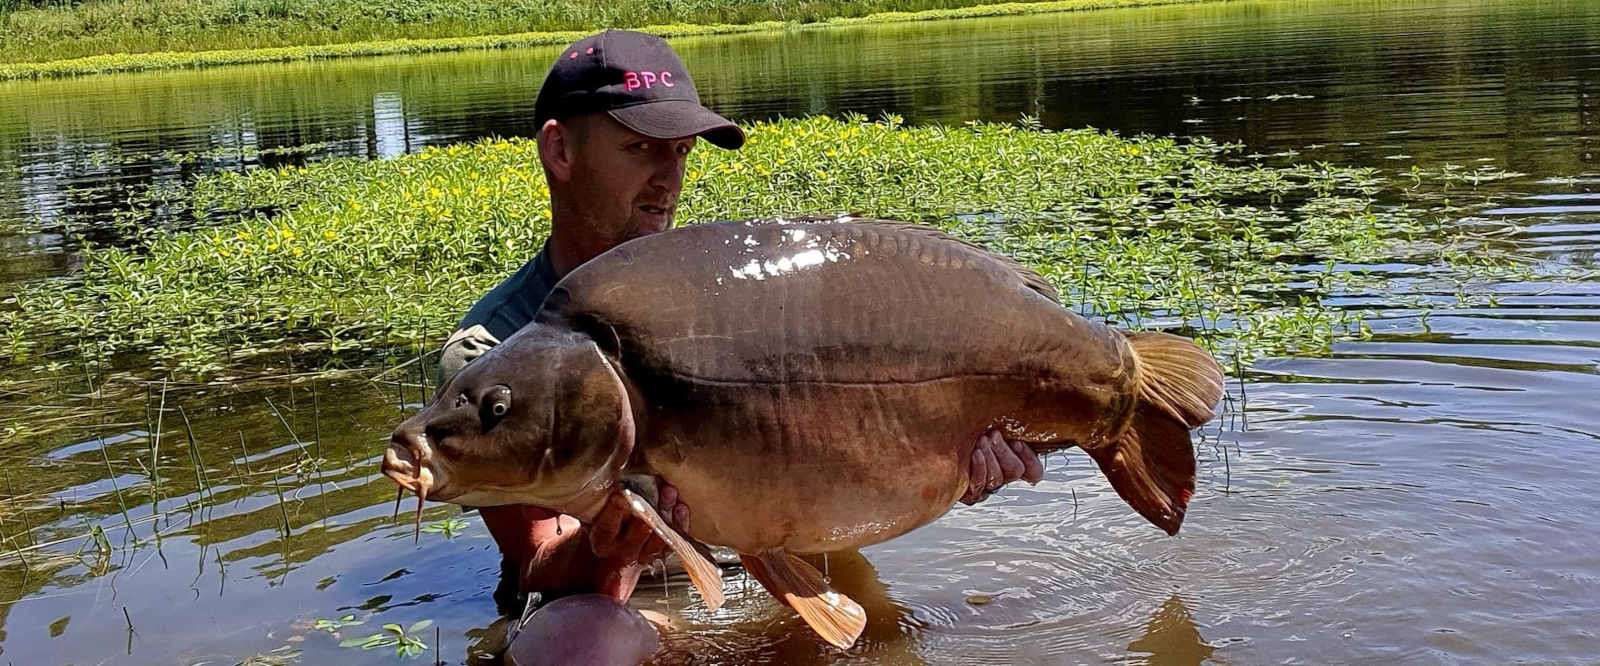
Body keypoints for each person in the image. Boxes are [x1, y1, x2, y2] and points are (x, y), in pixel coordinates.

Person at [436, 28, 1046, 648]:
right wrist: (612, 547)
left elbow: (849, 447)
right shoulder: (492, 356)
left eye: (679, 152)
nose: (666, 180)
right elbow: (536, 564)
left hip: (801, 574)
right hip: (640, 608)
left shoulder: (736, 297)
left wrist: (950, 459)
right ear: (560, 151)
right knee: (578, 644)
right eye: (640, 147)